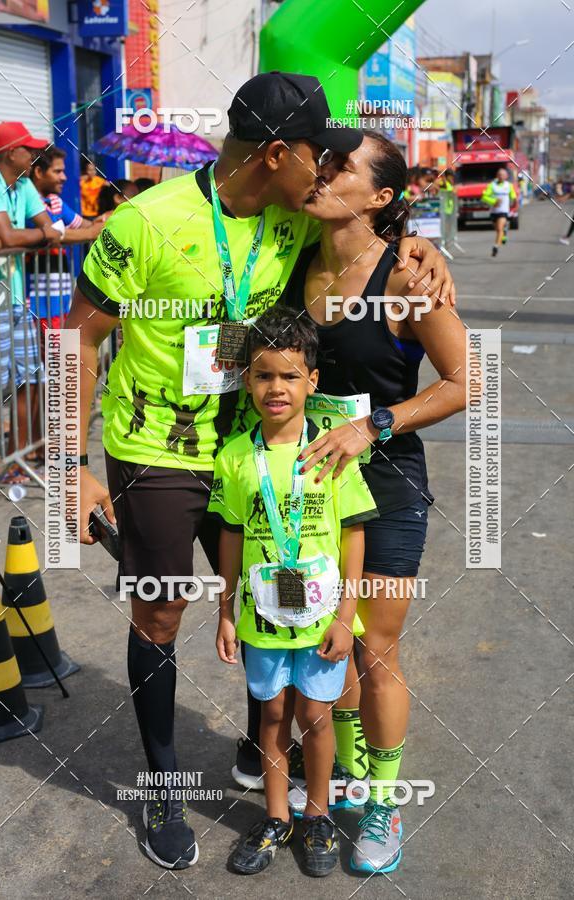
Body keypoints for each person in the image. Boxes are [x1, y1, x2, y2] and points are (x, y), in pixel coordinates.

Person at [66, 71, 455, 870]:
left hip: (257, 447)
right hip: (157, 450)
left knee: (273, 597)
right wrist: (73, 464)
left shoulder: (293, 213)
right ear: (277, 154)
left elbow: (374, 232)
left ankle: (265, 741)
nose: (325, 169)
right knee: (162, 613)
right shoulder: (145, 221)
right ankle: (162, 788)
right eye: (319, 153)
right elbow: (78, 338)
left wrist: (425, 246)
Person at [282, 131, 467, 873]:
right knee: (326, 642)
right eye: (323, 162)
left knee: (374, 646)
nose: (323, 173)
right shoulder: (293, 255)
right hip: (308, 488)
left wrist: (376, 424)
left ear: (382, 197)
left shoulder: (405, 277)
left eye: (343, 167)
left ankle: (384, 804)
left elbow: (465, 381)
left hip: (386, 487)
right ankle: (352, 770)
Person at [211, 308, 378, 877]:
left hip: (323, 619)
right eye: (263, 375)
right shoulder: (235, 457)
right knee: (273, 713)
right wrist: (225, 612)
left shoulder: (332, 453)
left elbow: (354, 536)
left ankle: (318, 815)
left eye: (289, 375)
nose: (275, 388)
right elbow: (230, 535)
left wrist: (346, 616)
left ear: (312, 381)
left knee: (315, 714)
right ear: (246, 381)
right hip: (261, 619)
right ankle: (277, 817)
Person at [0, 121, 61, 485]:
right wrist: (42, 234)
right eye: (30, 150)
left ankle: (20, 454)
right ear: (11, 153)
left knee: (29, 375)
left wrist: (41, 233)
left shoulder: (22, 184)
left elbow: (49, 228)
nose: (35, 156)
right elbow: (8, 236)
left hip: (13, 296)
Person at [27, 146, 103, 339]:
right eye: (58, 171)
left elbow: (85, 225)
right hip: (38, 305)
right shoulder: (29, 201)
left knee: (64, 355)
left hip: (61, 302)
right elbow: (55, 235)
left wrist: (107, 220)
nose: (64, 177)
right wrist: (92, 232)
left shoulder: (55, 200)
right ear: (38, 172)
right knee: (56, 356)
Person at [482, 167, 517, 257]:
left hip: (504, 211)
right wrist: (494, 201)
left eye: (503, 175)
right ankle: (504, 233)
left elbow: (513, 196)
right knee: (497, 229)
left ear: (506, 176)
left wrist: (515, 203)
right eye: (499, 175)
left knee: (499, 228)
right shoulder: (492, 185)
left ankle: (496, 246)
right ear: (497, 176)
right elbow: (484, 197)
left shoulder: (508, 185)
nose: (501, 176)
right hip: (494, 211)